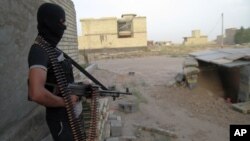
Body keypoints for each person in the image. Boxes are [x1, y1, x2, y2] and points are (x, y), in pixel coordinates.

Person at [28, 3, 80, 141]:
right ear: (49, 22)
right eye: (61, 22)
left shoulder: (52, 49)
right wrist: (65, 102)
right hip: (59, 118)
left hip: (69, 113)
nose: (64, 27)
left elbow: (62, 81)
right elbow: (36, 93)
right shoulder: (39, 50)